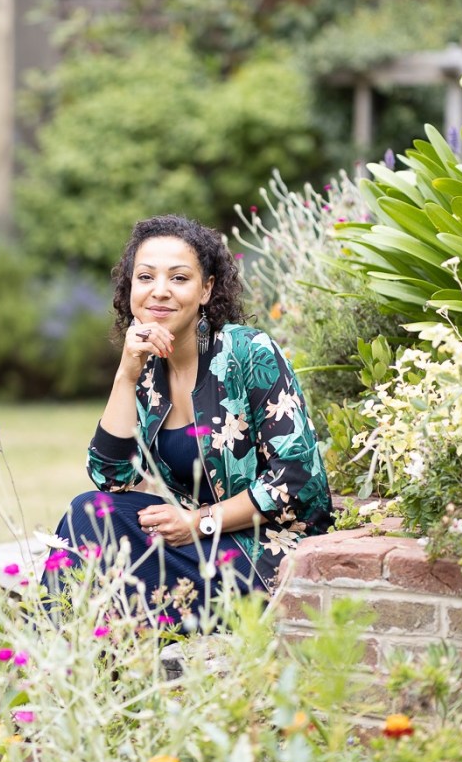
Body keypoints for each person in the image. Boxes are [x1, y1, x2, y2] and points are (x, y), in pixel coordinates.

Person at [48, 214, 332, 617]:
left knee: (101, 584)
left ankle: (54, 659)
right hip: (192, 547)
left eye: (178, 278)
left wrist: (199, 522)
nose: (159, 292)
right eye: (145, 278)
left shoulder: (248, 352)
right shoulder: (146, 369)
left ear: (206, 289)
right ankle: (60, 653)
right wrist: (126, 375)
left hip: (262, 555)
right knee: (89, 512)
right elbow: (110, 478)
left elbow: (297, 478)